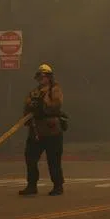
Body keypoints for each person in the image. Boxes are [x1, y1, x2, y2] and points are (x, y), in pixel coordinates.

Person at [20, 63, 65, 196]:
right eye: (39, 76)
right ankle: (31, 186)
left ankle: (58, 186)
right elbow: (27, 108)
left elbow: (56, 105)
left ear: (49, 77)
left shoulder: (55, 90)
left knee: (53, 160)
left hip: (52, 131)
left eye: (44, 76)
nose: (41, 78)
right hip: (36, 131)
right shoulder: (34, 92)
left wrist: (43, 104)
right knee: (30, 158)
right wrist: (30, 109)